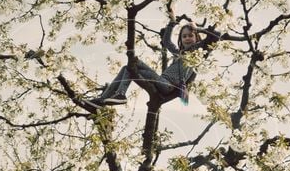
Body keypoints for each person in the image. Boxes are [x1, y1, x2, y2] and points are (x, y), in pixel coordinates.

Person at [82, 16, 222, 110]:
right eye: (184, 36)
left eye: (190, 35)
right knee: (129, 67)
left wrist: (197, 28)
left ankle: (119, 95)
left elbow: (217, 36)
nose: (187, 38)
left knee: (133, 63)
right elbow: (167, 42)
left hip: (168, 86)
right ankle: (103, 100)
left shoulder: (198, 52)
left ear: (197, 37)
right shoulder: (179, 53)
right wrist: (172, 23)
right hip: (161, 81)